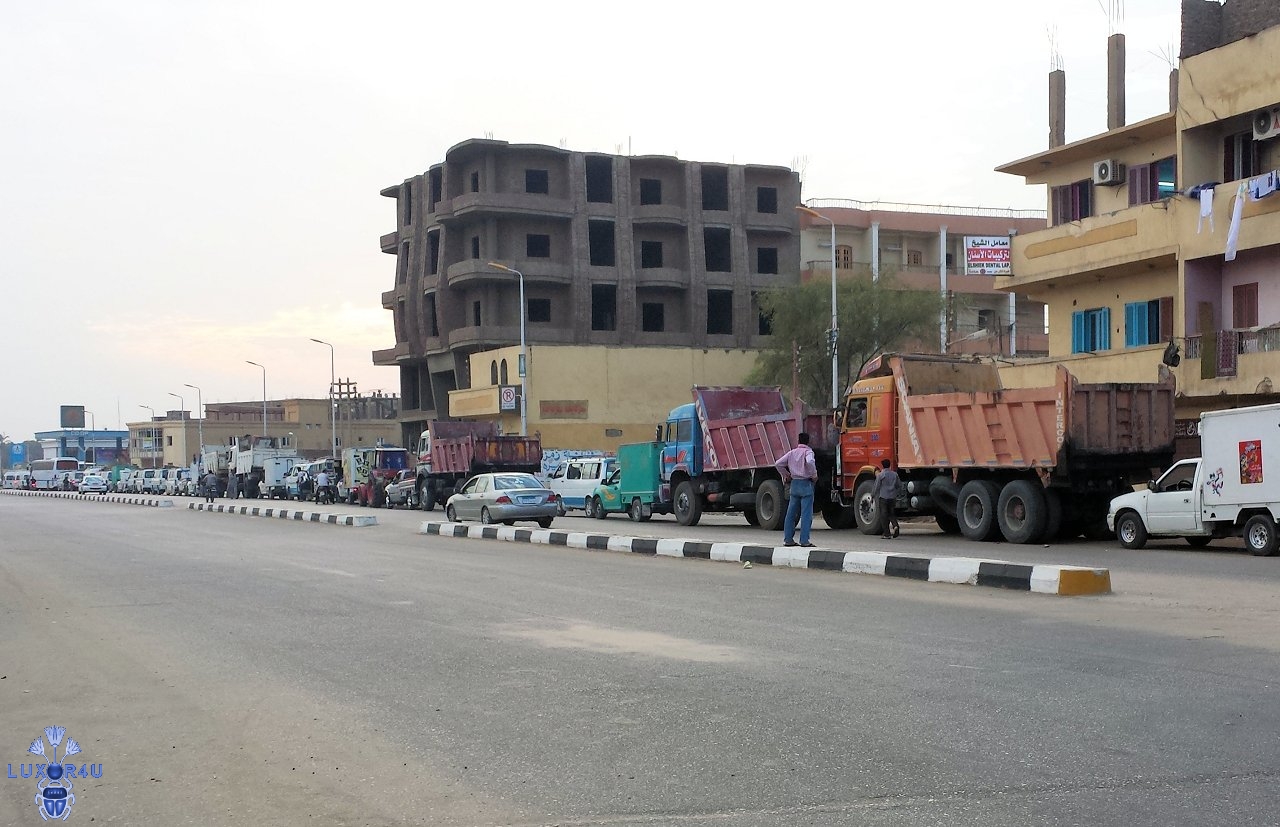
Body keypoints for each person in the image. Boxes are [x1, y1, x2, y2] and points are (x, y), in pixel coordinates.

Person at [774, 432, 818, 548]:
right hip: (806, 484)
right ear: (808, 442)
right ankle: (804, 540)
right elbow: (810, 462)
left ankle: (788, 539)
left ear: (798, 441)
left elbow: (778, 463)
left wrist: (786, 474)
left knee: (791, 513)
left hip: (794, 484)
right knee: (806, 514)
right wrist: (814, 474)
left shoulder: (792, 453)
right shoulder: (808, 452)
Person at [872, 458, 901, 539]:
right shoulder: (895, 474)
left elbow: (876, 486)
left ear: (882, 466)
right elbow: (899, 485)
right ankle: (895, 526)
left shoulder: (880, 475)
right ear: (889, 465)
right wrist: (896, 493)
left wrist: (872, 495)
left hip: (883, 497)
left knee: (883, 515)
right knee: (891, 513)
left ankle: (887, 534)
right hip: (892, 497)